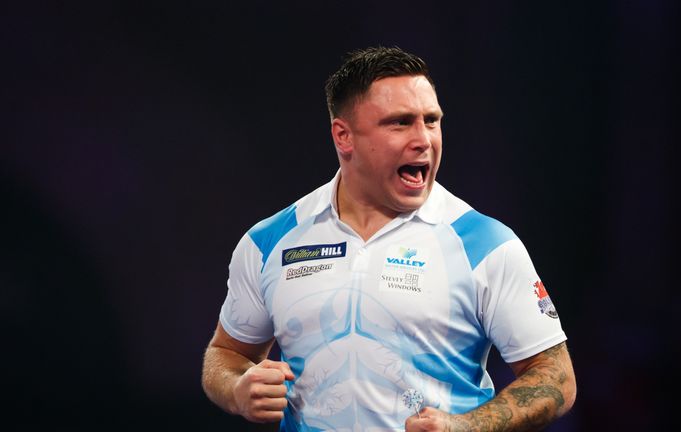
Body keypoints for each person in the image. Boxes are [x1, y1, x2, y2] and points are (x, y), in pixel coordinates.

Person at [202, 46, 576, 431]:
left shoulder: (485, 243)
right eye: (400, 123)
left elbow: (556, 378)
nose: (424, 140)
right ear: (343, 136)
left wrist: (469, 426)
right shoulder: (269, 242)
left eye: (431, 121)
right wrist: (237, 388)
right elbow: (226, 353)